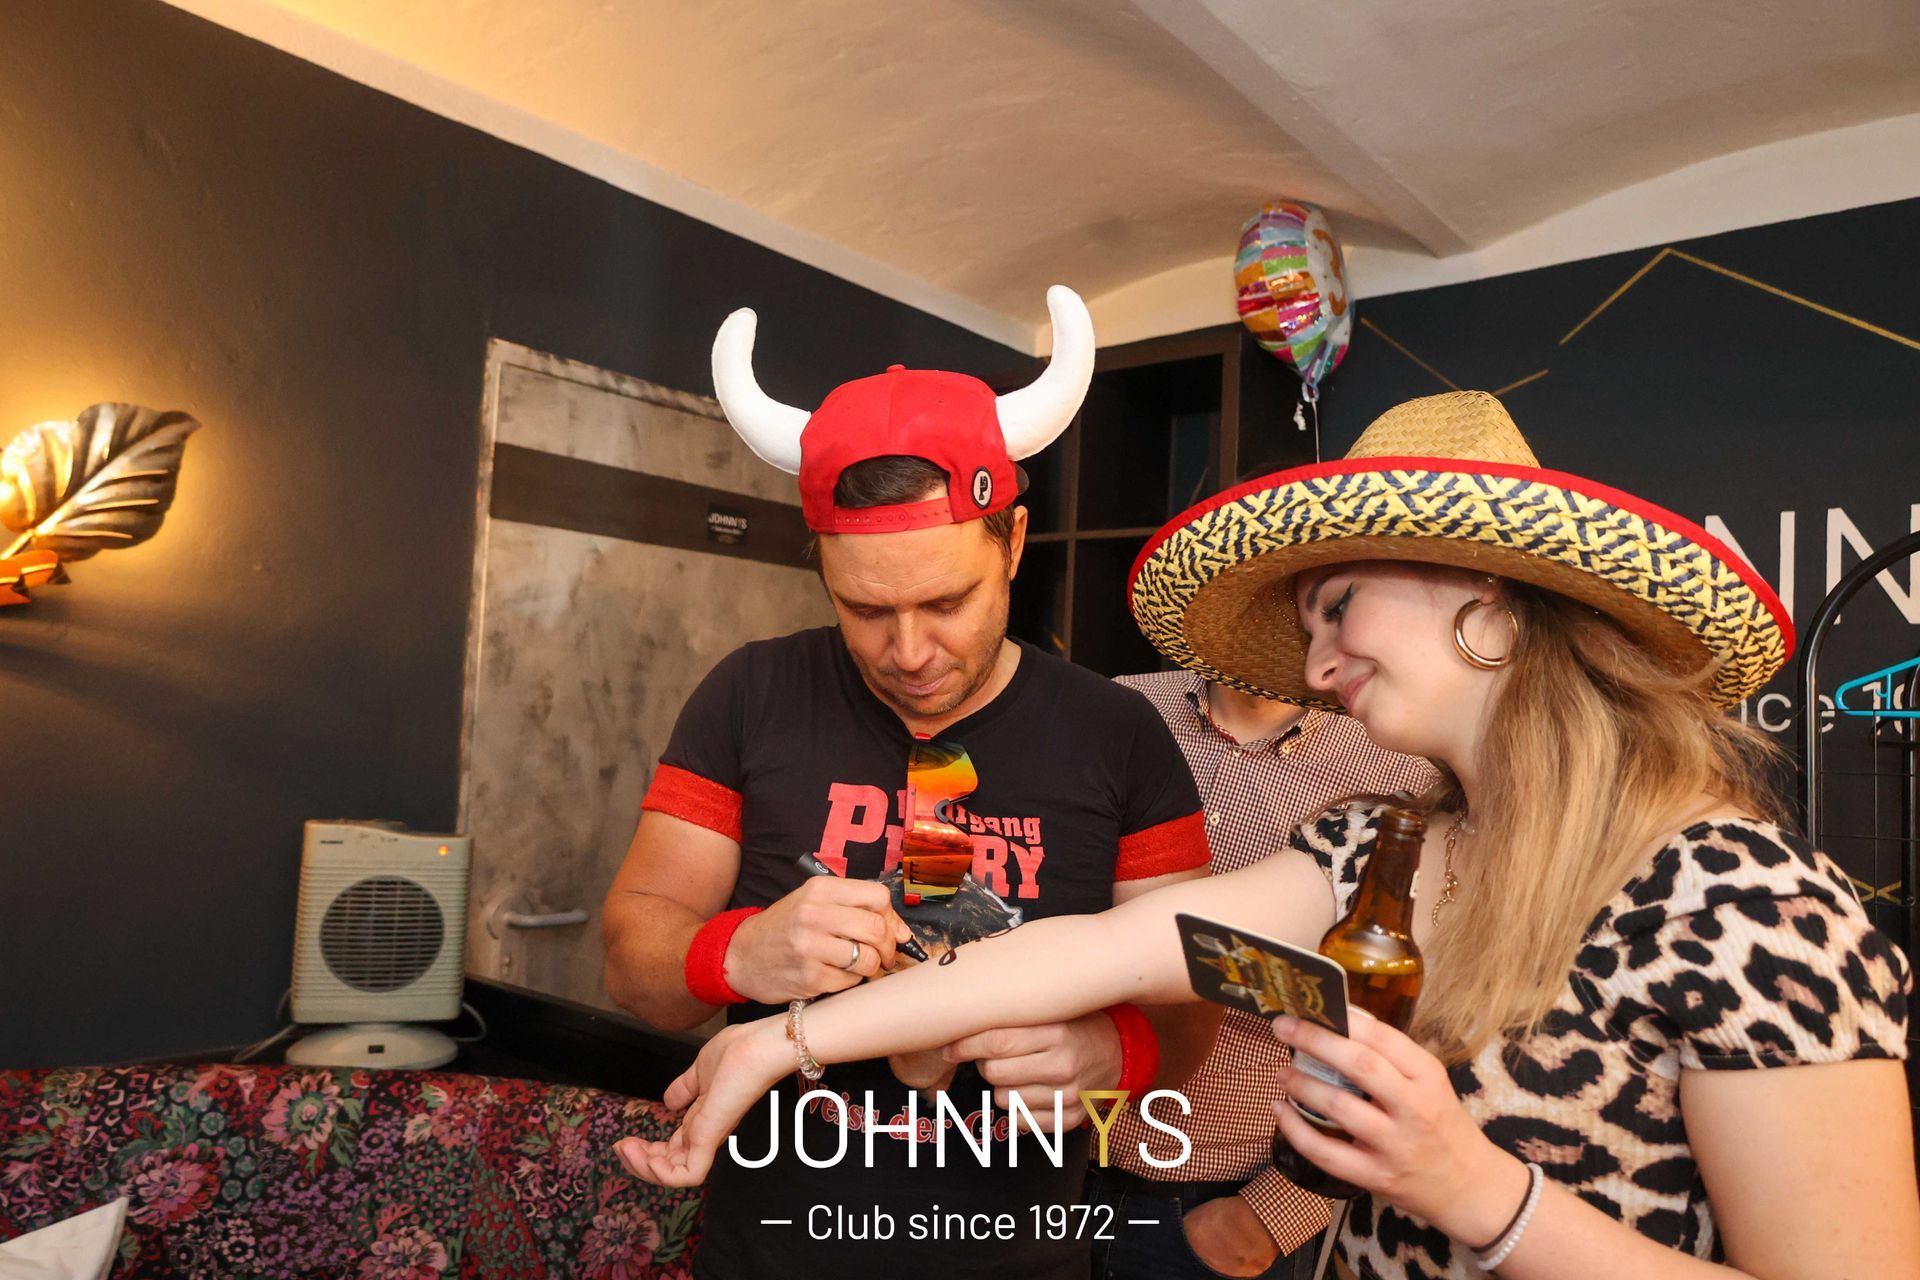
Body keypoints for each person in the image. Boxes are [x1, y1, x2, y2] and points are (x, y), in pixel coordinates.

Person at [618, 391, 1919, 1279]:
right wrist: (774, 1039)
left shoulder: (1745, 905)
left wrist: (1477, 1193)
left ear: (1491, 596)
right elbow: (1115, 948)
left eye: (1338, 604)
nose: (1318, 657)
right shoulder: (1376, 853)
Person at [600, 287, 1214, 1280]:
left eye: (947, 601)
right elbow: (632, 967)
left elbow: (1196, 1002)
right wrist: (736, 951)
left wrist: (1121, 1055)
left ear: (1014, 542)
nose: (911, 651)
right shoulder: (749, 695)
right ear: (821, 568)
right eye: (866, 610)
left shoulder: (1120, 733)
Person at [1092, 666, 1434, 1280]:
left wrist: (1274, 1214)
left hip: (1222, 1204)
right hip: (1050, 1166)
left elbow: (1416, 1014)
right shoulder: (1120, 705)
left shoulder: (1397, 759)